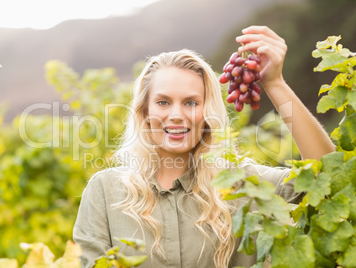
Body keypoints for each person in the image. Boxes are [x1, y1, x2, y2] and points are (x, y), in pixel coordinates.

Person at [73, 26, 335, 268]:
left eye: (191, 103)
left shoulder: (244, 184)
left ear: (207, 112)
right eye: (163, 102)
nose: (176, 115)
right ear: (144, 111)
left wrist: (275, 83)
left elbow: (327, 178)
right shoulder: (105, 192)